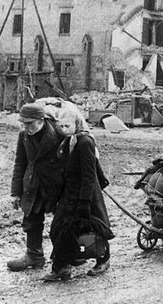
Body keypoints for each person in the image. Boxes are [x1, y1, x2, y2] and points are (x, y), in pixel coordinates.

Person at [45, 107, 114, 281]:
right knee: (59, 229)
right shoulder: (69, 141)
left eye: (67, 125)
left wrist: (84, 201)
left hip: (86, 194)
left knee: (95, 227)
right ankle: (63, 266)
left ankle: (103, 260)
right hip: (70, 194)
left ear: (77, 123)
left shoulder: (84, 142)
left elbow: (89, 174)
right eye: (61, 125)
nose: (63, 129)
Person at [7, 103, 66, 271]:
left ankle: (67, 253)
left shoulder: (58, 132)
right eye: (23, 124)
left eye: (30, 123)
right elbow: (20, 163)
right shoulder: (24, 135)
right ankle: (34, 256)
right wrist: (16, 192)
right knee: (31, 219)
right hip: (33, 183)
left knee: (63, 221)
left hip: (56, 184)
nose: (26, 127)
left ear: (41, 120)